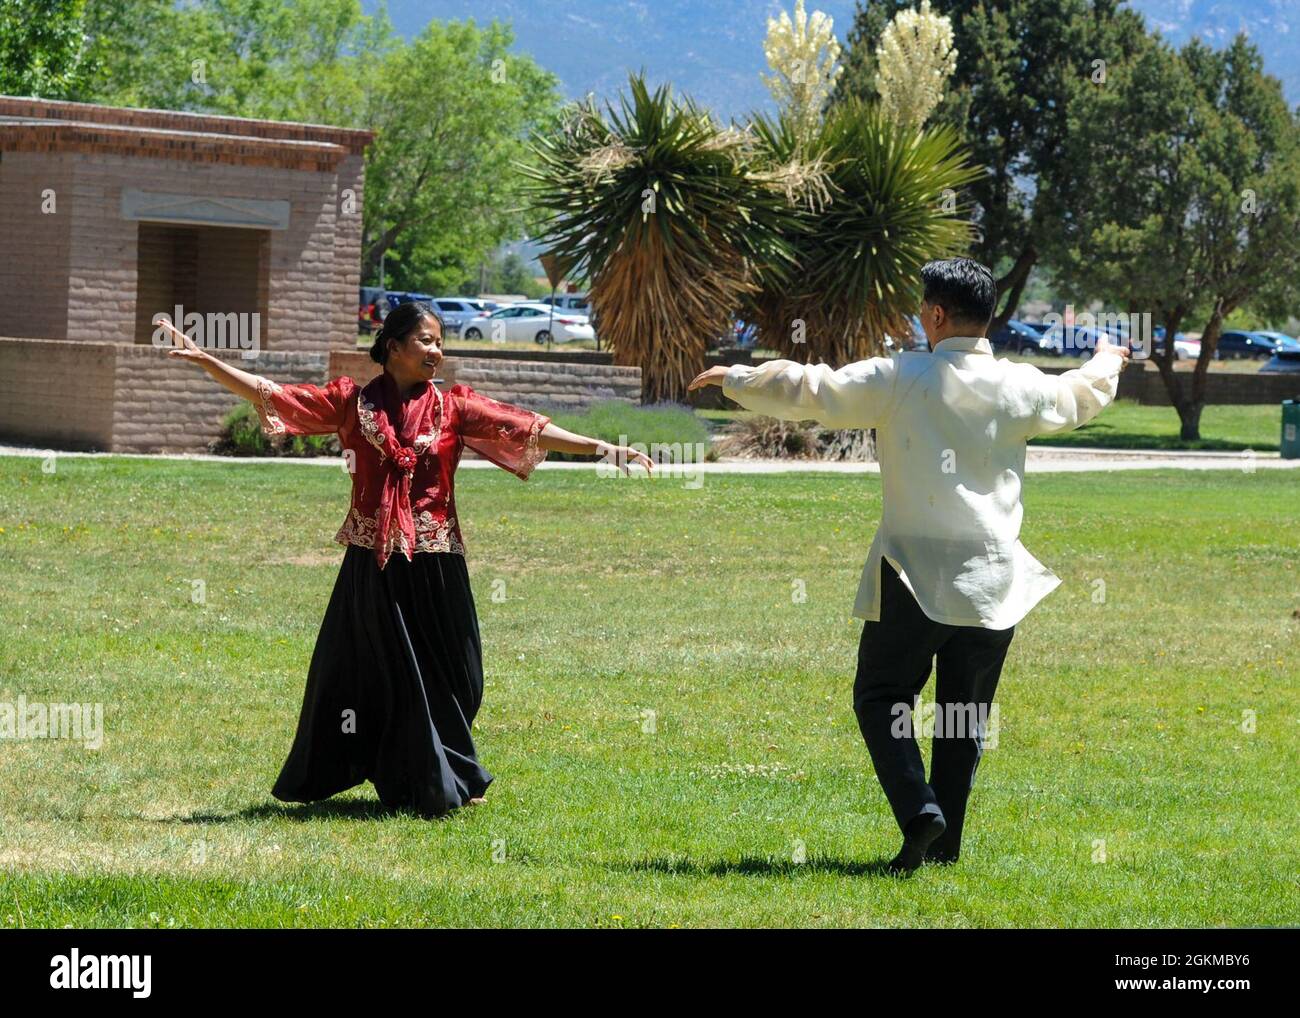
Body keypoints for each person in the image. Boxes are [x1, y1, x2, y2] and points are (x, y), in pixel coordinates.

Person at [689, 258, 1131, 872]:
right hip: (996, 579)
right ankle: (943, 848)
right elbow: (1082, 394)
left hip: (914, 574)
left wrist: (737, 376)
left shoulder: (902, 376)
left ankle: (920, 812)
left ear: (937, 314)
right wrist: (1110, 357)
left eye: (923, 307)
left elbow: (815, 390)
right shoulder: (1022, 384)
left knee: (880, 695)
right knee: (962, 719)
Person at [162, 301, 652, 817]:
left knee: (459, 674)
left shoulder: (452, 407)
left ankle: (452, 764)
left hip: (438, 561)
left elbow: (521, 426)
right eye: (426, 341)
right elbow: (280, 396)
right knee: (380, 676)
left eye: (440, 342)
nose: (437, 352)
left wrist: (602, 448)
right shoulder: (352, 403)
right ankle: (419, 778)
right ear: (393, 347)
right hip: (373, 564)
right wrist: (208, 362)